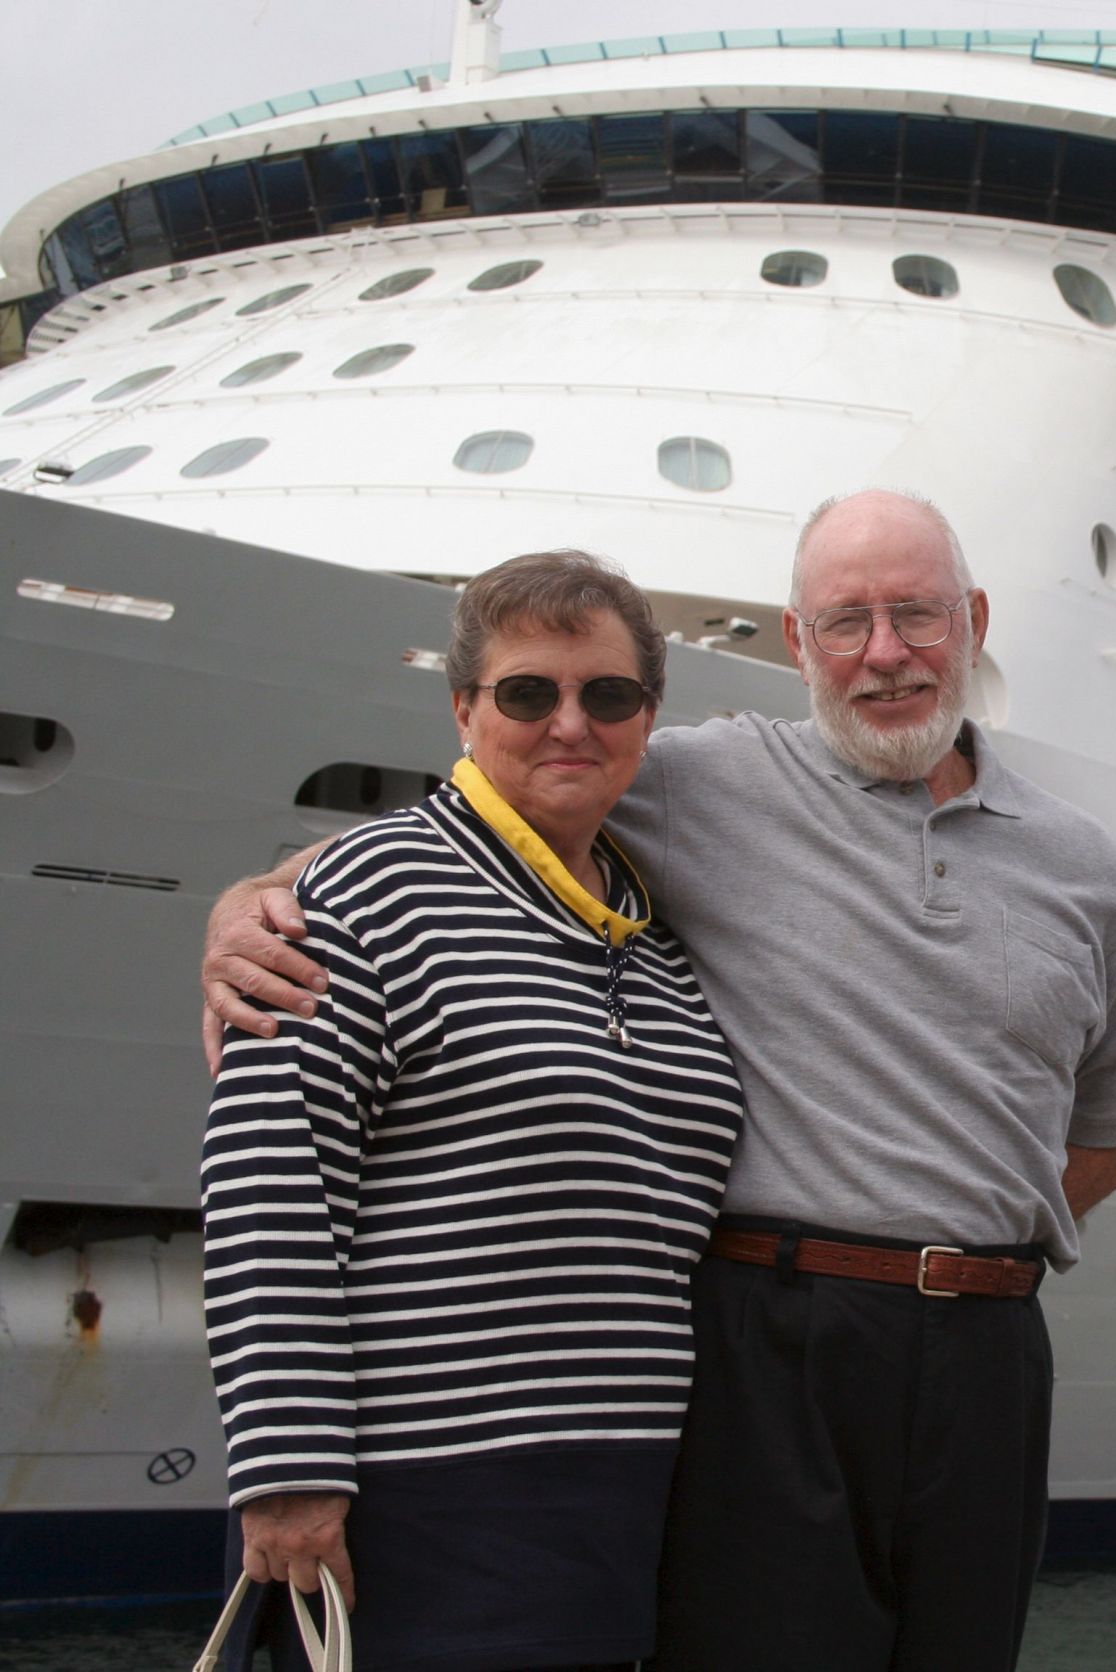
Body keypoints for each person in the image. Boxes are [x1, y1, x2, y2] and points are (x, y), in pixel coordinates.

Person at [203, 490, 1116, 1671]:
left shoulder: (1085, 864)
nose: (886, 653)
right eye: (847, 621)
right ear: (798, 643)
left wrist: (977, 1229)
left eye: (916, 615)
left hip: (973, 1355)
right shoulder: (698, 783)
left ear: (970, 620)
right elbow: (485, 817)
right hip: (760, 1346)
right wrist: (250, 898)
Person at [199, 551, 745, 1671]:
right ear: (463, 708)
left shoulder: (657, 947)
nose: (569, 724)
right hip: (413, 1511)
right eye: (528, 692)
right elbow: (270, 1182)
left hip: (619, 1512)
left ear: (649, 716)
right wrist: (291, 1475)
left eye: (608, 695)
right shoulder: (359, 897)